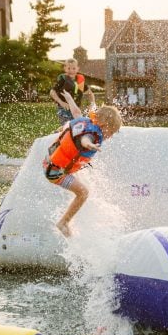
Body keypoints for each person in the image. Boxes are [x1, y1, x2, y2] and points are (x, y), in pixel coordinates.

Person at [43, 90, 122, 237]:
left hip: (50, 162)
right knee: (83, 193)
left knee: (82, 179)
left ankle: (65, 220)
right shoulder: (91, 135)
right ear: (104, 125)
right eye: (110, 132)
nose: (109, 136)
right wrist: (90, 146)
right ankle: (64, 222)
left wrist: (70, 99)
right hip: (55, 172)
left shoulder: (88, 122)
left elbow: (76, 112)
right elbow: (84, 140)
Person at [50, 58, 95, 126]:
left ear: (77, 69)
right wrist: (61, 102)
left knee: (78, 126)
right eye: (69, 68)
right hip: (64, 109)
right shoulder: (63, 80)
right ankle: (59, 134)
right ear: (65, 68)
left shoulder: (80, 81)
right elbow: (52, 92)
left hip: (76, 110)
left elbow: (90, 93)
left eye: (74, 68)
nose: (71, 71)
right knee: (68, 126)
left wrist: (92, 103)